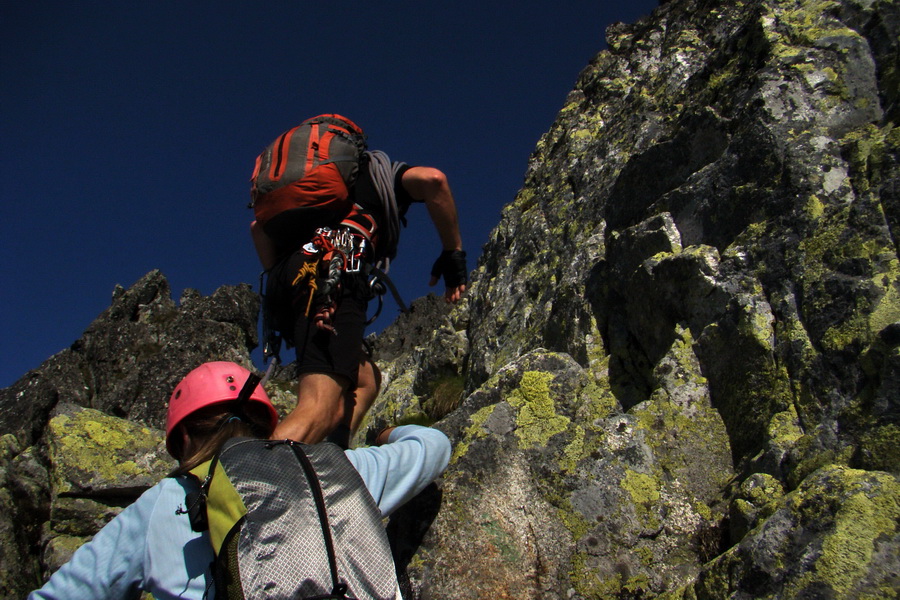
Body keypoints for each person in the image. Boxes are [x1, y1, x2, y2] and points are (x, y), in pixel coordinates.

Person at [29, 361, 452, 600]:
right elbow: (435, 446)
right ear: (266, 422)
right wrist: (386, 435)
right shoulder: (336, 469)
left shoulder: (164, 500)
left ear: (184, 439)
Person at [252, 121, 468, 446]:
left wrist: (288, 292)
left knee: (366, 377)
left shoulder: (303, 195)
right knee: (317, 408)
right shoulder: (377, 173)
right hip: (333, 273)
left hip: (290, 275)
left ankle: (329, 458)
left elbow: (258, 228)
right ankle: (233, 491)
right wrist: (453, 254)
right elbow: (433, 180)